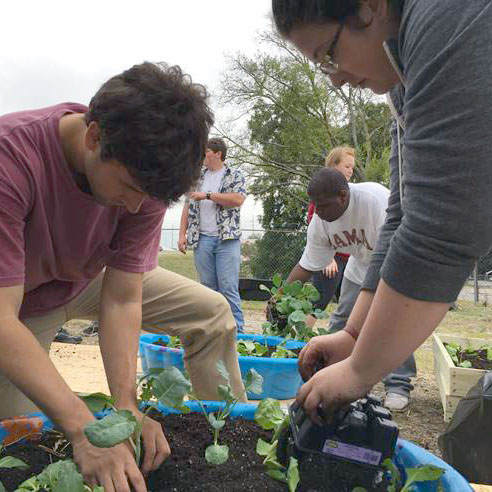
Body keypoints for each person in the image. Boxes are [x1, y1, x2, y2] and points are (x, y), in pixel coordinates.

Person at [0, 62, 246, 492]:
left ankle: (227, 452)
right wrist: (83, 431)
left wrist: (125, 410)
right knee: (21, 440)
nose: (135, 209)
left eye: (148, 198)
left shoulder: (146, 177)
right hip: (19, 301)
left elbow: (122, 299)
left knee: (211, 312)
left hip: (88, 277)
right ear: (94, 135)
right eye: (131, 190)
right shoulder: (12, 159)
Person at [271, 0, 492, 424]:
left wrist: (360, 371)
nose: (334, 79)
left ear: (371, 6)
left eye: (328, 54)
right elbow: (403, 213)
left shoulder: (449, 18)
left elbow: (442, 227)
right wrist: (353, 337)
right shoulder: (400, 79)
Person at [287, 168, 415, 409]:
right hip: (359, 271)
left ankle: (398, 384)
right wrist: (279, 297)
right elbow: (306, 266)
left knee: (392, 324)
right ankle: (334, 381)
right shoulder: (321, 221)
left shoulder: (376, 202)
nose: (319, 212)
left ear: (343, 196)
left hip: (395, 268)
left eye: (324, 206)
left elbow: (392, 252)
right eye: (315, 206)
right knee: (341, 324)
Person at [178, 138, 246, 333]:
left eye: (206, 151)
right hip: (202, 239)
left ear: (218, 153)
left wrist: (207, 195)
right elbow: (187, 206)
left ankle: (237, 331)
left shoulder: (235, 174)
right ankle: (212, 330)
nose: (202, 155)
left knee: (228, 287)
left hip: (227, 239)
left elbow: (237, 199)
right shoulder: (196, 177)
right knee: (208, 288)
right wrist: (182, 234)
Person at [306, 147, 355, 325]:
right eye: (347, 166)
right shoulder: (323, 191)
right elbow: (314, 224)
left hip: (349, 258)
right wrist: (328, 258)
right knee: (318, 302)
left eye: (352, 168)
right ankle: (296, 341)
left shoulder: (350, 193)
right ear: (334, 166)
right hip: (331, 260)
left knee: (351, 304)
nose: (350, 170)